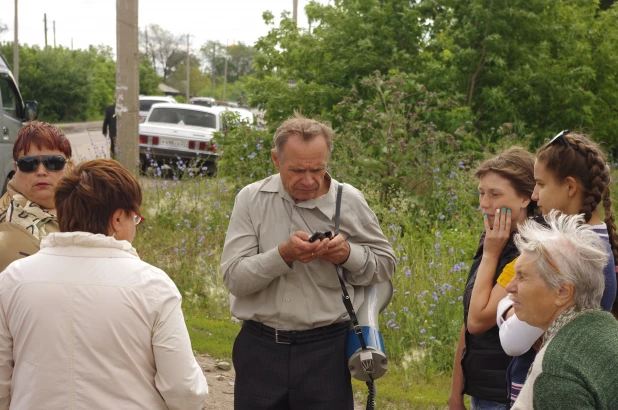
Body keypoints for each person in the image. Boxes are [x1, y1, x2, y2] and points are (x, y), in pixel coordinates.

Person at [0, 159, 208, 410]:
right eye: (135, 219)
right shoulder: (153, 286)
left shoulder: (12, 280)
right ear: (118, 219)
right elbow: (184, 391)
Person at [221, 115, 396, 410]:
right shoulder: (251, 198)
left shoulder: (349, 200)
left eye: (317, 169)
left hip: (326, 353)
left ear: (328, 159)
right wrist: (283, 255)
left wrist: (346, 254)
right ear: (276, 160)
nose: (308, 180)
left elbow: (385, 265)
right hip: (260, 349)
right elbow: (235, 278)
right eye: (297, 170)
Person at [496, 131, 618, 405]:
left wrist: (504, 305)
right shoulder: (597, 243)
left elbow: (513, 340)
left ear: (570, 187)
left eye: (541, 184)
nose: (534, 194)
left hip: (551, 391)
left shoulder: (572, 253)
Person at [449, 147, 536, 410]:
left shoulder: (529, 250)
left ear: (524, 198)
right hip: (482, 389)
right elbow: (467, 320)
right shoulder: (495, 239)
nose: (484, 203)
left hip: (507, 394)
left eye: (495, 194)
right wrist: (455, 394)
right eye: (481, 193)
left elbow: (478, 320)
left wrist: (490, 255)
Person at [508, 211, 618, 410]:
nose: (509, 287)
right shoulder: (608, 328)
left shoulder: (556, 372)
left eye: (522, 277)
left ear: (562, 291)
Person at [0, 121, 72, 272]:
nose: (41, 171)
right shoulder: (9, 226)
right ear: (16, 169)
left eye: (53, 163)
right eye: (28, 164)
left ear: (70, 165)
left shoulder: (90, 205)